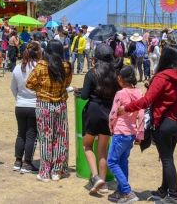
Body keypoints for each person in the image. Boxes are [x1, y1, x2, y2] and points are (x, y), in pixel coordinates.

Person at [119, 46, 177, 203]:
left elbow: (146, 100)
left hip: (164, 123)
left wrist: (126, 108)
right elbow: (170, 95)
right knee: (167, 157)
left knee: (167, 159)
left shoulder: (162, 77)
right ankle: (164, 190)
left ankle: (173, 195)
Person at [26, 40, 72, 183]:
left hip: (44, 106)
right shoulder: (66, 66)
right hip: (60, 105)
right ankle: (57, 171)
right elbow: (67, 84)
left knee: (45, 139)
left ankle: (45, 172)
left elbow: (29, 83)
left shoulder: (41, 66)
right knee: (60, 138)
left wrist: (42, 90)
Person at [80, 44, 119, 194]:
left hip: (93, 111)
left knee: (87, 146)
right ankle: (103, 184)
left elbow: (84, 96)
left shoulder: (91, 73)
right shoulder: (116, 74)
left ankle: (95, 177)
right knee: (103, 149)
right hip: (109, 112)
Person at [107, 66, 144, 203]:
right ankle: (121, 191)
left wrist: (111, 127)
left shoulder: (121, 93)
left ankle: (127, 191)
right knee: (123, 162)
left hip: (120, 132)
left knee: (112, 161)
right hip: (131, 134)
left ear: (121, 79)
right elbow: (141, 114)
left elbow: (113, 114)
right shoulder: (139, 93)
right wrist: (140, 134)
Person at [10, 41, 41, 174]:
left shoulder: (17, 67)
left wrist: (19, 98)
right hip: (35, 105)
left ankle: (18, 161)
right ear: (37, 52)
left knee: (21, 133)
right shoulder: (39, 67)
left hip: (20, 105)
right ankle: (27, 162)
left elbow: (13, 88)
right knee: (31, 135)